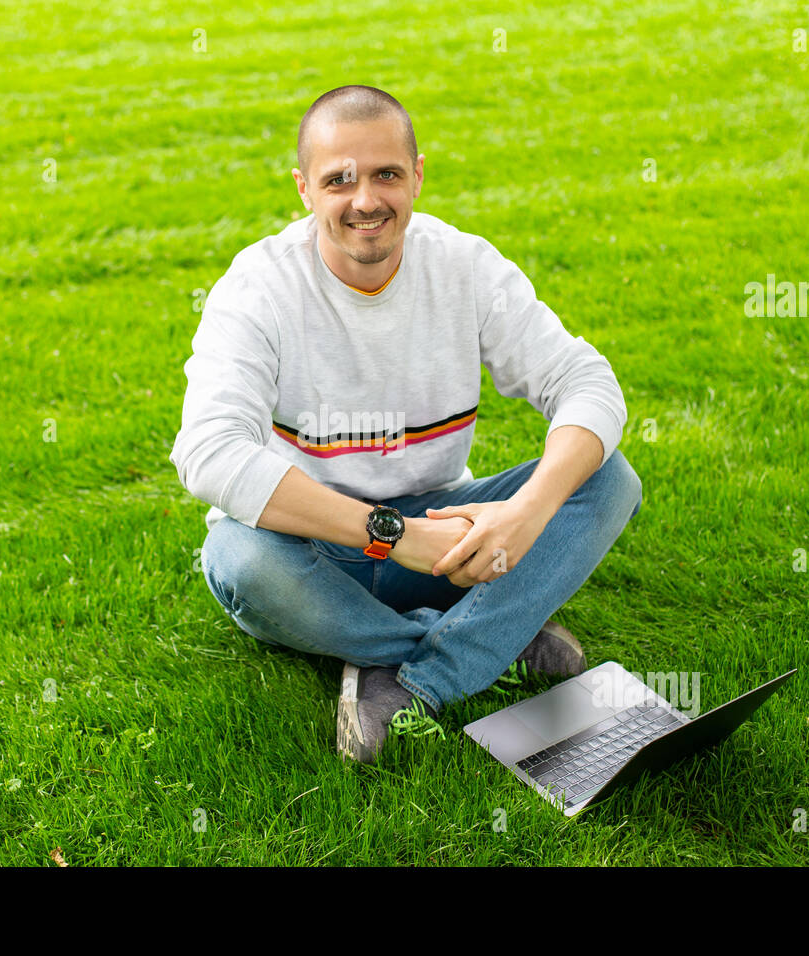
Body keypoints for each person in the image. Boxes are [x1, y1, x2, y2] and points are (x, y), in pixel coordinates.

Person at [170, 85, 642, 764]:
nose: (366, 200)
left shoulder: (465, 267)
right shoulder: (258, 288)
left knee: (608, 477)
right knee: (238, 560)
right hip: (316, 545)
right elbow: (208, 453)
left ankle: (409, 674)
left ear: (418, 174)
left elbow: (586, 383)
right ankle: (493, 638)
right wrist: (393, 536)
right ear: (305, 189)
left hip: (445, 542)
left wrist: (527, 513)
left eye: (387, 173)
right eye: (340, 180)